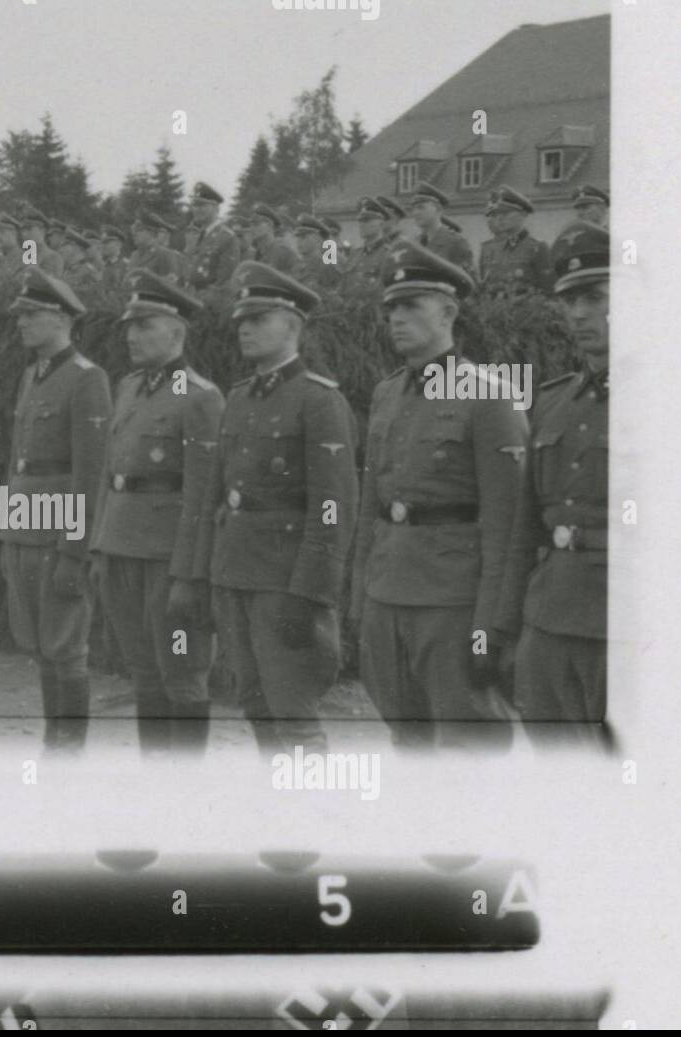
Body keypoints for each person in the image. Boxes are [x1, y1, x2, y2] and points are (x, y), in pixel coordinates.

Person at [350, 243, 527, 750]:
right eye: (391, 309)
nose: (396, 319)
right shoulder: (387, 393)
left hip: (452, 599)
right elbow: (370, 505)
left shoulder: (489, 395)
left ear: (448, 311)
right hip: (389, 589)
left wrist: (490, 627)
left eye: (411, 306)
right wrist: (362, 592)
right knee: (406, 735)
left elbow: (506, 525)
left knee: (467, 738)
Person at [202, 264, 358, 752]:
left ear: (293, 326)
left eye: (259, 318)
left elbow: (333, 506)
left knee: (293, 712)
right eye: (241, 319)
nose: (244, 328)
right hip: (237, 573)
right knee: (254, 702)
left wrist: (311, 592)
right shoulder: (239, 397)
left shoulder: (318, 401)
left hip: (285, 579)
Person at [90, 270, 225, 753]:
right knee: (143, 669)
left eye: (145, 325)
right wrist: (99, 544)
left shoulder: (201, 397)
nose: (131, 335)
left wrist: (192, 574)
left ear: (177, 332)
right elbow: (111, 472)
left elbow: (203, 496)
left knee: (182, 670)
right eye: (130, 325)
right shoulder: (127, 388)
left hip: (169, 561)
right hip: (122, 548)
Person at [497, 221, 611, 744]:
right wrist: (505, 629)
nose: (579, 313)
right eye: (569, 301)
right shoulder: (553, 400)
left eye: (594, 296)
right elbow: (525, 528)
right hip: (548, 620)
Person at [0, 268, 110, 751]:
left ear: (61, 318)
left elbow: (91, 474)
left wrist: (75, 550)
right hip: (24, 529)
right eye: (20, 314)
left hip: (57, 534)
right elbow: (16, 461)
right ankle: (53, 740)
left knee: (65, 646)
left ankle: (69, 750)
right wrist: (6, 530)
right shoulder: (31, 377)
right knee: (40, 646)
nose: (21, 323)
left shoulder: (87, 379)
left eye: (31, 314)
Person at [478, 186, 553, 297]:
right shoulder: (494, 250)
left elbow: (549, 292)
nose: (500, 218)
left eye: (506, 213)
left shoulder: (537, 249)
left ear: (523, 214)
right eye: (498, 213)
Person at [183, 182, 239, 309]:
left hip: (210, 309)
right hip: (192, 303)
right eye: (195, 205)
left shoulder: (227, 238)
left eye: (202, 205)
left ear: (216, 208)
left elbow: (224, 284)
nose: (197, 209)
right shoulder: (200, 237)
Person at [410, 183, 474, 273]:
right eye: (413, 208)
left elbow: (468, 282)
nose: (415, 213)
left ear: (438, 209)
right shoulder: (414, 244)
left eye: (421, 207)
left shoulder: (456, 243)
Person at [339, 197, 392, 299]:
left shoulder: (389, 254)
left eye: (367, 220)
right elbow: (342, 288)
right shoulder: (354, 255)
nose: (362, 225)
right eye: (360, 221)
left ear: (381, 223)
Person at [292, 214, 342, 294]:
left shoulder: (327, 268)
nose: (298, 241)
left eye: (304, 237)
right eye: (297, 236)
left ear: (317, 239)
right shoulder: (296, 266)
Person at [129, 212, 183, 285]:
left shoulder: (165, 254)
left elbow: (171, 285)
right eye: (134, 231)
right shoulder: (134, 255)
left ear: (151, 233)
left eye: (139, 230)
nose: (134, 234)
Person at [18, 207, 65, 278]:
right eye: (23, 230)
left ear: (42, 230)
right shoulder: (25, 257)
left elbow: (48, 286)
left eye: (29, 229)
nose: (24, 234)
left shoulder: (53, 257)